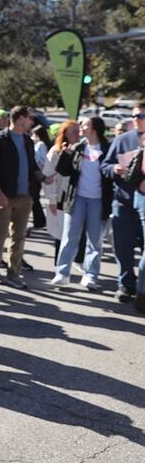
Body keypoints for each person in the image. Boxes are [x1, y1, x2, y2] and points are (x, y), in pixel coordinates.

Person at [49, 117, 112, 290]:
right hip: (77, 199)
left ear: (94, 129)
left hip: (99, 200)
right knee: (70, 237)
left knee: (95, 240)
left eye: (84, 125)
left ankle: (90, 275)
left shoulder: (108, 148)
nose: (81, 128)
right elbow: (62, 171)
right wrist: (65, 155)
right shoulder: (77, 147)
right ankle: (62, 273)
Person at [0, 106, 37, 288]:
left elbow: (32, 165)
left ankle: (14, 272)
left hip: (24, 196)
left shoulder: (28, 141)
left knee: (19, 236)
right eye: (29, 118)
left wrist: (44, 178)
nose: (31, 122)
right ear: (20, 119)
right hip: (3, 196)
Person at [100, 100, 145, 310]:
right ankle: (126, 284)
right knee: (123, 246)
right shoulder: (122, 140)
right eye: (135, 116)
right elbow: (104, 166)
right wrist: (114, 169)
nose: (136, 120)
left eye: (141, 116)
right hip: (123, 201)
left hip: (143, 202)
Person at [42, 120, 80, 263]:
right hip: (60, 197)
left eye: (78, 131)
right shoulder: (55, 152)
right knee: (61, 232)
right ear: (65, 134)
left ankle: (74, 260)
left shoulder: (80, 149)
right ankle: (60, 262)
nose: (78, 134)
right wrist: (52, 199)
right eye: (74, 132)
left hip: (77, 195)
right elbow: (48, 177)